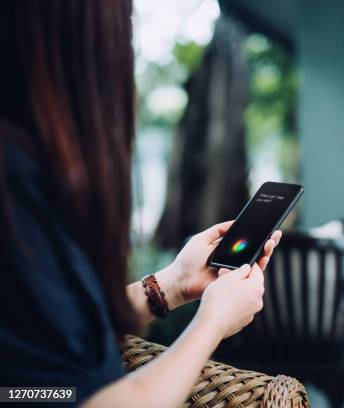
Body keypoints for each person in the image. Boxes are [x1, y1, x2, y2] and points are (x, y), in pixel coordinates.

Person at [0, 1, 281, 406]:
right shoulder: (13, 182)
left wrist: (172, 285)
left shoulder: (25, 169)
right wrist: (212, 323)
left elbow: (44, 341)